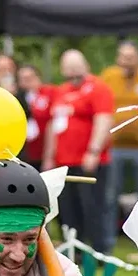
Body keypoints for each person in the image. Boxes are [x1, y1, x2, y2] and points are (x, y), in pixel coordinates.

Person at [44, 49, 114, 251]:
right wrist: (49, 156)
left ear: (85, 65)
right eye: (68, 65)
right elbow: (52, 125)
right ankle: (75, 249)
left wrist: (93, 150)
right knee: (68, 208)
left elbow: (103, 119)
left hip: (89, 160)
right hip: (63, 161)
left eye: (76, 65)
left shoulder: (98, 88)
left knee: (92, 206)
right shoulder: (61, 91)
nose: (72, 69)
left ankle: (99, 250)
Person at [100, 41, 138, 250]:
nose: (125, 61)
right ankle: (107, 244)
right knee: (109, 196)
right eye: (122, 56)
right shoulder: (108, 77)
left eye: (129, 57)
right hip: (113, 146)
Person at [18, 63, 55, 168]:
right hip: (26, 154)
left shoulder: (49, 93)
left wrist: (49, 155)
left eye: (29, 78)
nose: (27, 82)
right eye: (23, 79)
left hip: (44, 150)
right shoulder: (18, 97)